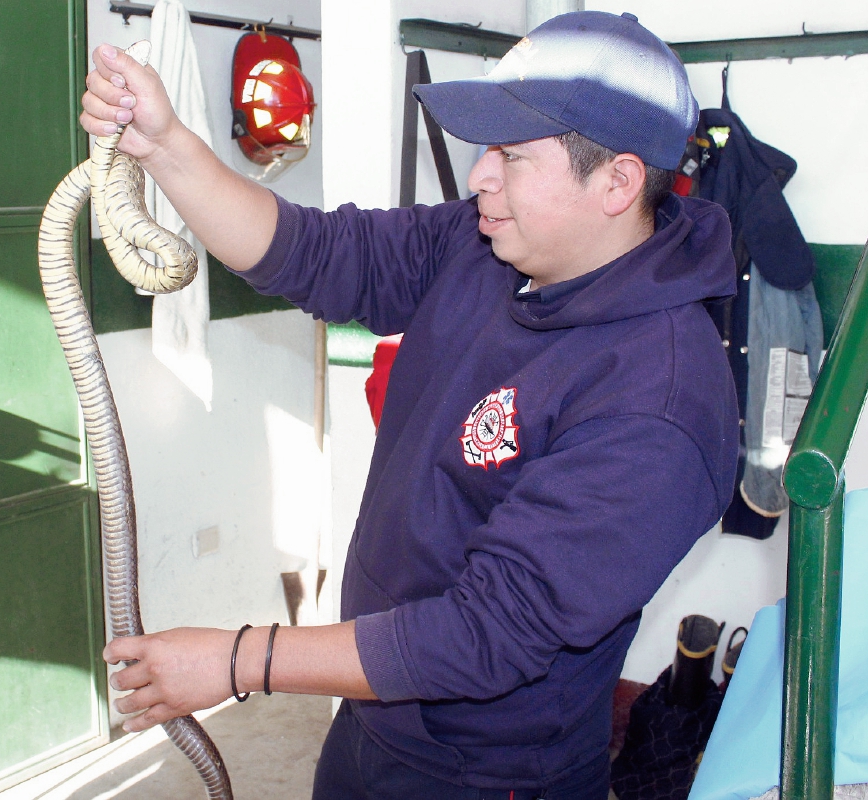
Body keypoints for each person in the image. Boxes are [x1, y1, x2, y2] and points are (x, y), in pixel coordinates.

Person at [81, 11, 737, 799]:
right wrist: (167, 147)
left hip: (484, 772)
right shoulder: (485, 243)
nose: (481, 176)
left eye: (513, 155)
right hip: (371, 713)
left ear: (618, 182)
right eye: (486, 148)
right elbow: (317, 254)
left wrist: (238, 658)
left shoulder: (658, 402)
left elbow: (486, 633)